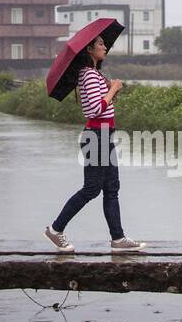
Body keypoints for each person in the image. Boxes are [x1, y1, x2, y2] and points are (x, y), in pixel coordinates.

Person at [44, 34, 146, 253]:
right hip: (96, 137)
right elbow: (94, 110)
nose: (104, 46)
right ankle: (55, 229)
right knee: (91, 189)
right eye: (100, 43)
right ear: (89, 49)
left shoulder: (95, 75)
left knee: (111, 188)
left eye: (103, 43)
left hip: (104, 135)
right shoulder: (89, 75)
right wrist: (112, 90)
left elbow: (102, 106)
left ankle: (118, 239)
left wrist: (109, 90)